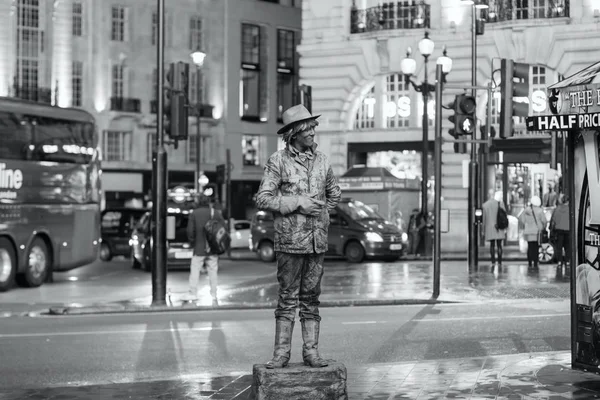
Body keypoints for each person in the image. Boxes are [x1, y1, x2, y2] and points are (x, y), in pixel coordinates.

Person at [255, 104, 341, 369]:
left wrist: (323, 211)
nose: (313, 134)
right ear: (294, 133)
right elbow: (263, 198)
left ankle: (311, 353)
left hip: (317, 242)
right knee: (287, 299)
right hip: (289, 243)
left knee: (311, 299)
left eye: (313, 129)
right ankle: (281, 354)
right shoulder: (278, 161)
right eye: (308, 130)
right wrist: (298, 203)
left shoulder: (322, 160)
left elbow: (334, 193)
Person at [186, 194, 224, 307]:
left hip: (199, 248)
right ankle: (214, 295)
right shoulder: (215, 213)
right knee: (213, 272)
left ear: (198, 202)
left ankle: (193, 293)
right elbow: (223, 228)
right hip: (212, 248)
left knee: (195, 270)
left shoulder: (194, 213)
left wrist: (192, 242)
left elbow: (190, 231)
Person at [518, 195, 547, 269]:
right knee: (536, 247)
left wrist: (525, 226)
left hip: (528, 231)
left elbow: (522, 220)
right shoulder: (540, 211)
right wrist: (543, 227)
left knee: (530, 247)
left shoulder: (526, 210)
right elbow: (544, 221)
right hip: (537, 231)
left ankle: (530, 262)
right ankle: (535, 261)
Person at [482, 190, 506, 266]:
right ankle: (499, 261)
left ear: (488, 195)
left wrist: (483, 230)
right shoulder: (501, 203)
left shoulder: (485, 205)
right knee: (499, 245)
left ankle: (493, 261)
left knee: (492, 245)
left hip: (490, 227)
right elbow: (504, 216)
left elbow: (484, 219)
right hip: (499, 227)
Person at [550, 193, 570, 267]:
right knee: (567, 247)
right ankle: (567, 261)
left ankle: (559, 261)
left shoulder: (557, 209)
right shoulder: (569, 209)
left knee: (559, 247)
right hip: (568, 230)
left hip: (558, 230)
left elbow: (554, 219)